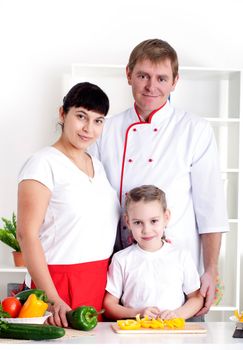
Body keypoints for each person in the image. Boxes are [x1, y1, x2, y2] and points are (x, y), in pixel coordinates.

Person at [89, 39, 229, 318]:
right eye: (143, 76)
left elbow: (210, 207)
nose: (152, 87)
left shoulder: (195, 129)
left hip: (180, 273)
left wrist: (211, 269)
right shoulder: (107, 129)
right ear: (128, 74)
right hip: (122, 269)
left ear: (175, 81)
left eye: (162, 78)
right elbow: (93, 198)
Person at [16, 82, 120, 327]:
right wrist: (51, 298)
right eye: (81, 116)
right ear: (63, 113)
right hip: (57, 285)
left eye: (98, 121)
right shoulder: (42, 164)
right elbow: (26, 234)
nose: (89, 129)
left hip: (98, 284)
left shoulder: (98, 165)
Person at [103, 185, 204, 320]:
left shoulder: (181, 256)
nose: (146, 230)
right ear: (128, 222)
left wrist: (177, 315)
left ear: (166, 217)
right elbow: (109, 305)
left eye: (154, 221)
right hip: (134, 334)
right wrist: (136, 313)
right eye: (138, 222)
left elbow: (196, 298)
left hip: (173, 333)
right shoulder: (121, 259)